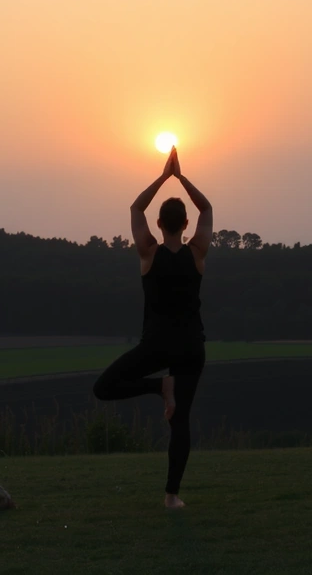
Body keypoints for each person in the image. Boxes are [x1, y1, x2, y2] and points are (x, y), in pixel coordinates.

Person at [92, 146, 213, 509]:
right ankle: (171, 496)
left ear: (159, 224)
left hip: (157, 345)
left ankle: (160, 387)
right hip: (191, 347)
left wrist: (163, 177)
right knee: (181, 422)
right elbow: (207, 208)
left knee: (104, 387)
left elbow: (135, 208)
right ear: (186, 224)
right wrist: (182, 178)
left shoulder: (148, 252)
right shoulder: (197, 253)